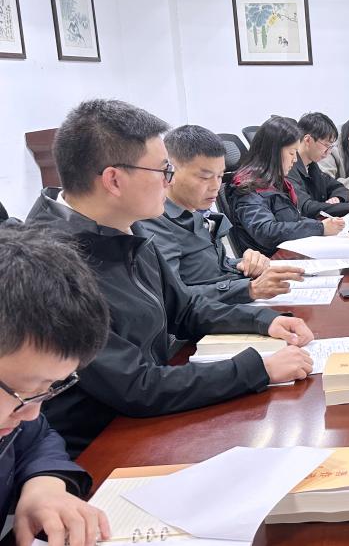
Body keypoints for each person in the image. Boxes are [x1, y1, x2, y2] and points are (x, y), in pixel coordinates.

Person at [27, 100, 314, 456]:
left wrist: (264, 321)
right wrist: (258, 369)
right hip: (101, 446)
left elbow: (185, 309)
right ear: (114, 180)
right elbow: (137, 386)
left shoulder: (125, 227)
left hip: (150, 416)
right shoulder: (49, 267)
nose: (169, 180)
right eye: (163, 170)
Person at [0, 225, 111, 546]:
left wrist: (43, 486)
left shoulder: (15, 413)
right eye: (22, 391)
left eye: (47, 389)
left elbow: (37, 438)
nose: (32, 413)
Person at [137, 125, 304, 305]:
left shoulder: (195, 212)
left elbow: (210, 270)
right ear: (170, 172)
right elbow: (172, 297)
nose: (215, 186)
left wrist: (244, 263)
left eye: (219, 176)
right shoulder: (157, 224)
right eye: (205, 177)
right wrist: (249, 289)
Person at [226, 116, 346, 256]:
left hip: (291, 250)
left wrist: (323, 225)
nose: (294, 159)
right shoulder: (249, 188)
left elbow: (291, 219)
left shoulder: (274, 182)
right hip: (272, 260)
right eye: (291, 153)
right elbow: (266, 232)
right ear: (273, 152)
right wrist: (320, 227)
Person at [287, 112, 349, 219]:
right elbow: (307, 208)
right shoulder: (289, 168)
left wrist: (337, 198)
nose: (329, 152)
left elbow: (338, 187)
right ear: (308, 140)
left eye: (331, 146)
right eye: (326, 145)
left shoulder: (312, 166)